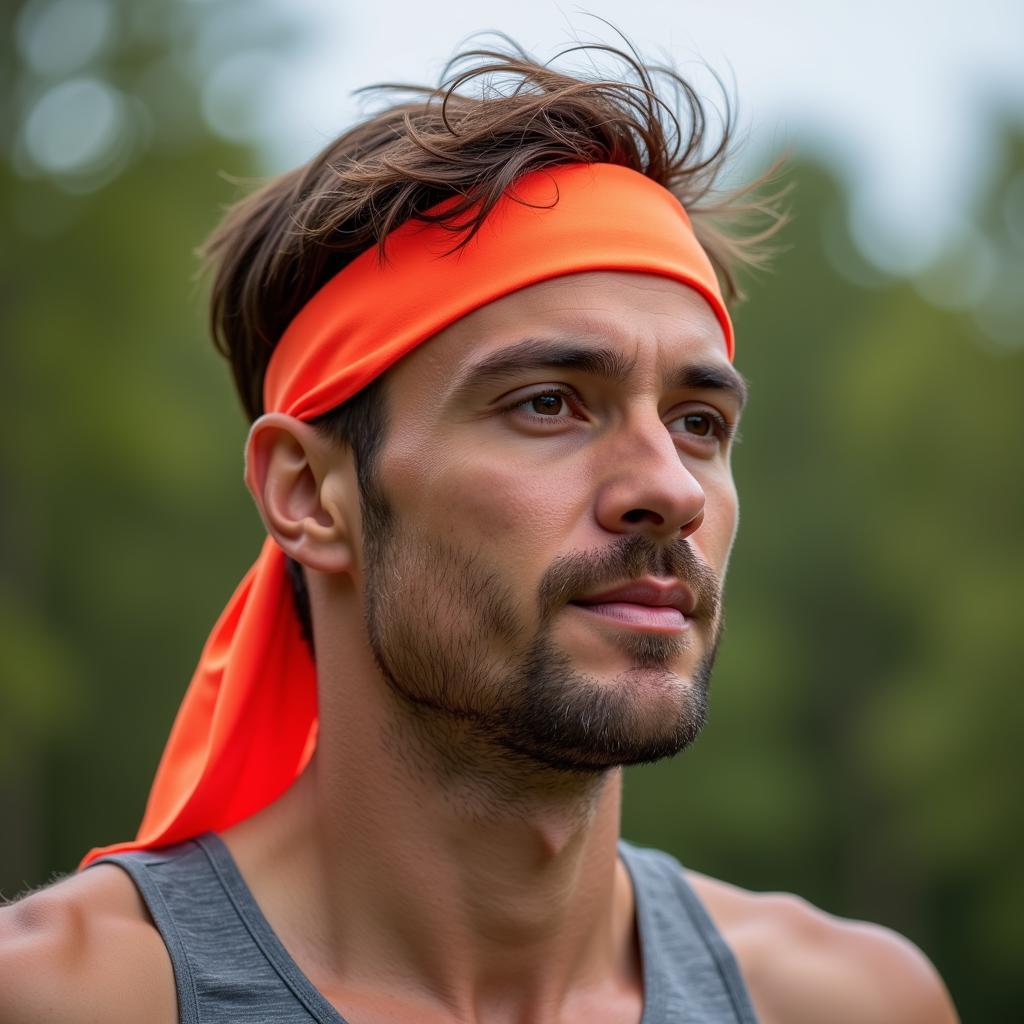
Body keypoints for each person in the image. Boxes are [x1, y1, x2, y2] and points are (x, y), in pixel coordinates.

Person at [0, 39, 958, 1024]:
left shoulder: (844, 1000)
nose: (669, 488)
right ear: (307, 491)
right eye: (549, 403)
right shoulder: (65, 997)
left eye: (697, 421)